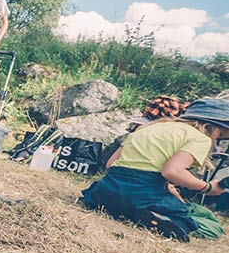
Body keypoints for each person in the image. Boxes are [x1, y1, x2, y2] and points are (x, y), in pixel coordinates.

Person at [81, 98, 229, 241]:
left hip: (106, 190)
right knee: (211, 226)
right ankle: (154, 216)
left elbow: (110, 164)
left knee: (179, 205)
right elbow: (172, 171)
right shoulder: (200, 138)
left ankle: (127, 210)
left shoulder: (150, 127)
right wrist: (207, 187)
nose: (217, 140)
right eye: (221, 134)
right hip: (143, 194)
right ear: (215, 127)